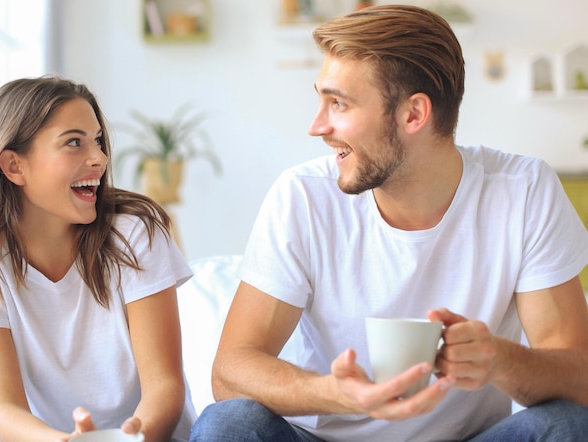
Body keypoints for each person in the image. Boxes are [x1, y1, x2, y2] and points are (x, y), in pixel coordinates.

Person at [190, 5, 588, 442]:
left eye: (338, 103)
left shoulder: (523, 190)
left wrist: (501, 360)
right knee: (227, 425)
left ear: (413, 114)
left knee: (569, 425)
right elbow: (230, 371)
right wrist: (334, 393)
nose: (317, 126)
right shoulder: (303, 196)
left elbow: (579, 379)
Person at [0, 76, 196, 441]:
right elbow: (4, 410)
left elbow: (164, 387)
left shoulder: (134, 234)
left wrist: (128, 438)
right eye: (74, 142)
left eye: (98, 141)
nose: (100, 158)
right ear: (14, 167)